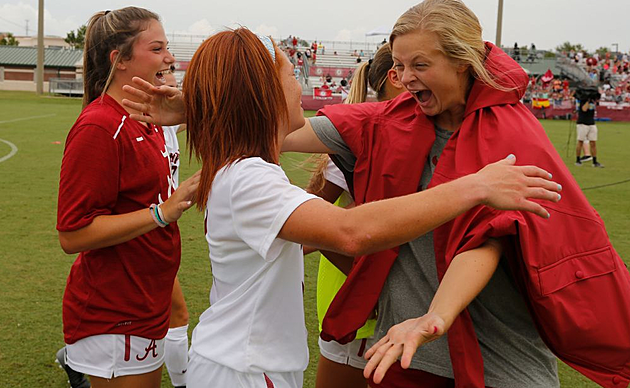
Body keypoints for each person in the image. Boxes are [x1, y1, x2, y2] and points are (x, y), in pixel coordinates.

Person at [121, 28, 561, 388]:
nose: (299, 85)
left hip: (247, 365)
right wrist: (475, 187)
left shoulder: (243, 167)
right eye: (290, 75)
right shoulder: (249, 177)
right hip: (244, 370)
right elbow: (352, 232)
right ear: (265, 92)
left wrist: (200, 108)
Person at [283, 0, 627, 388]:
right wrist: (230, 152)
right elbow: (283, 135)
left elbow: (488, 240)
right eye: (398, 65)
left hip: (501, 364)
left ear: (463, 60)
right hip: (402, 355)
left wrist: (436, 318)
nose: (405, 77)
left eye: (420, 65)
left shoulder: (512, 137)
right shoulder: (388, 122)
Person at [56, 7, 199, 388]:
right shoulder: (99, 126)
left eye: (167, 47)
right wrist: (161, 213)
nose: (169, 58)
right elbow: (73, 234)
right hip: (114, 311)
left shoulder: (145, 118)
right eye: (157, 48)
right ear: (118, 60)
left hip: (144, 302)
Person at [307, 43, 405, 388]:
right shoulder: (364, 134)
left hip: (390, 296)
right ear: (394, 79)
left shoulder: (405, 131)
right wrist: (369, 288)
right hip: (357, 294)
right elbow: (308, 228)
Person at [161, 66, 190, 388]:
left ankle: (70, 358)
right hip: (146, 233)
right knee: (177, 315)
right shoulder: (140, 126)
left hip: (164, 233)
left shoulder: (167, 126)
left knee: (149, 317)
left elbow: (198, 116)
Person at [575, 92, 603, 167]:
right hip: (582, 123)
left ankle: (595, 161)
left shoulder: (593, 101)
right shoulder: (582, 101)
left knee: (593, 142)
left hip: (591, 123)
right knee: (580, 141)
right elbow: (584, 109)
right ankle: (577, 160)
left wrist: (593, 99)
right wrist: (588, 100)